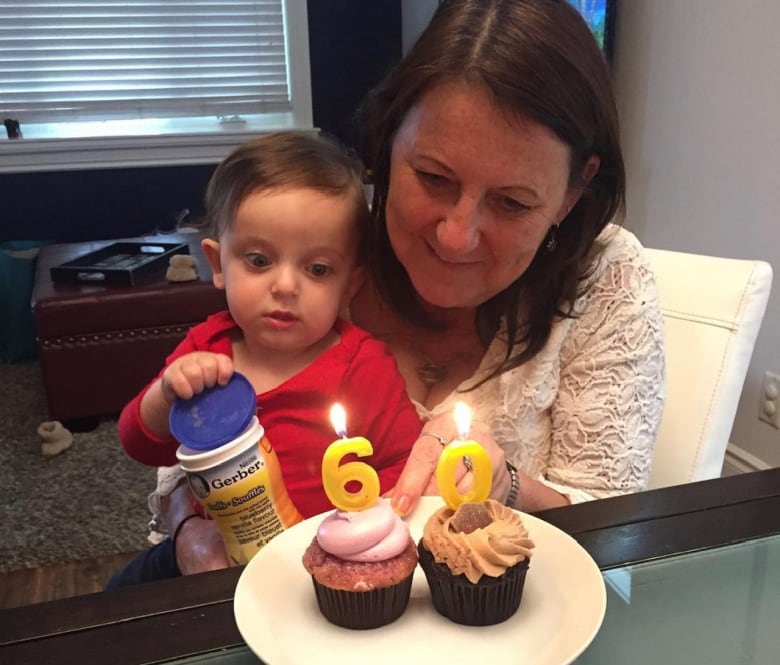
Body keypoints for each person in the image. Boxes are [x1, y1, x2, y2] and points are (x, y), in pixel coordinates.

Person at [154, 0, 665, 576]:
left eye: (513, 202)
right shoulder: (319, 250)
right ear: (387, 144)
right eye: (433, 178)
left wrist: (510, 486)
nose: (456, 237)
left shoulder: (606, 278)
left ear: (573, 193)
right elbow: (195, 437)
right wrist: (188, 530)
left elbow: (619, 530)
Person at [108, 132, 422, 586]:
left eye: (317, 269)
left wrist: (356, 529)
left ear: (349, 286)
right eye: (259, 260)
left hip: (314, 567)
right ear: (217, 263)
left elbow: (403, 468)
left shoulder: (362, 365)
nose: (286, 286)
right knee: (115, 600)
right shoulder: (205, 350)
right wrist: (166, 392)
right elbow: (139, 443)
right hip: (210, 555)